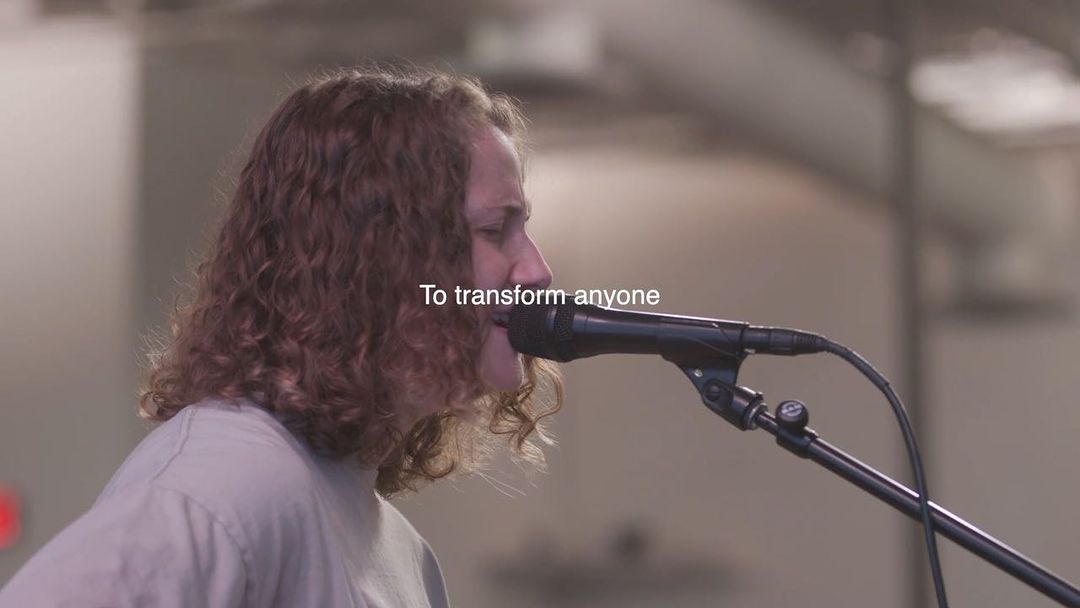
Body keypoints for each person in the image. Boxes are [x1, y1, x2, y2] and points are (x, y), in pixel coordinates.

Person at [0, 66, 563, 607]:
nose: (537, 271)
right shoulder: (228, 482)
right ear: (376, 256)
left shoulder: (397, 549)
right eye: (495, 229)